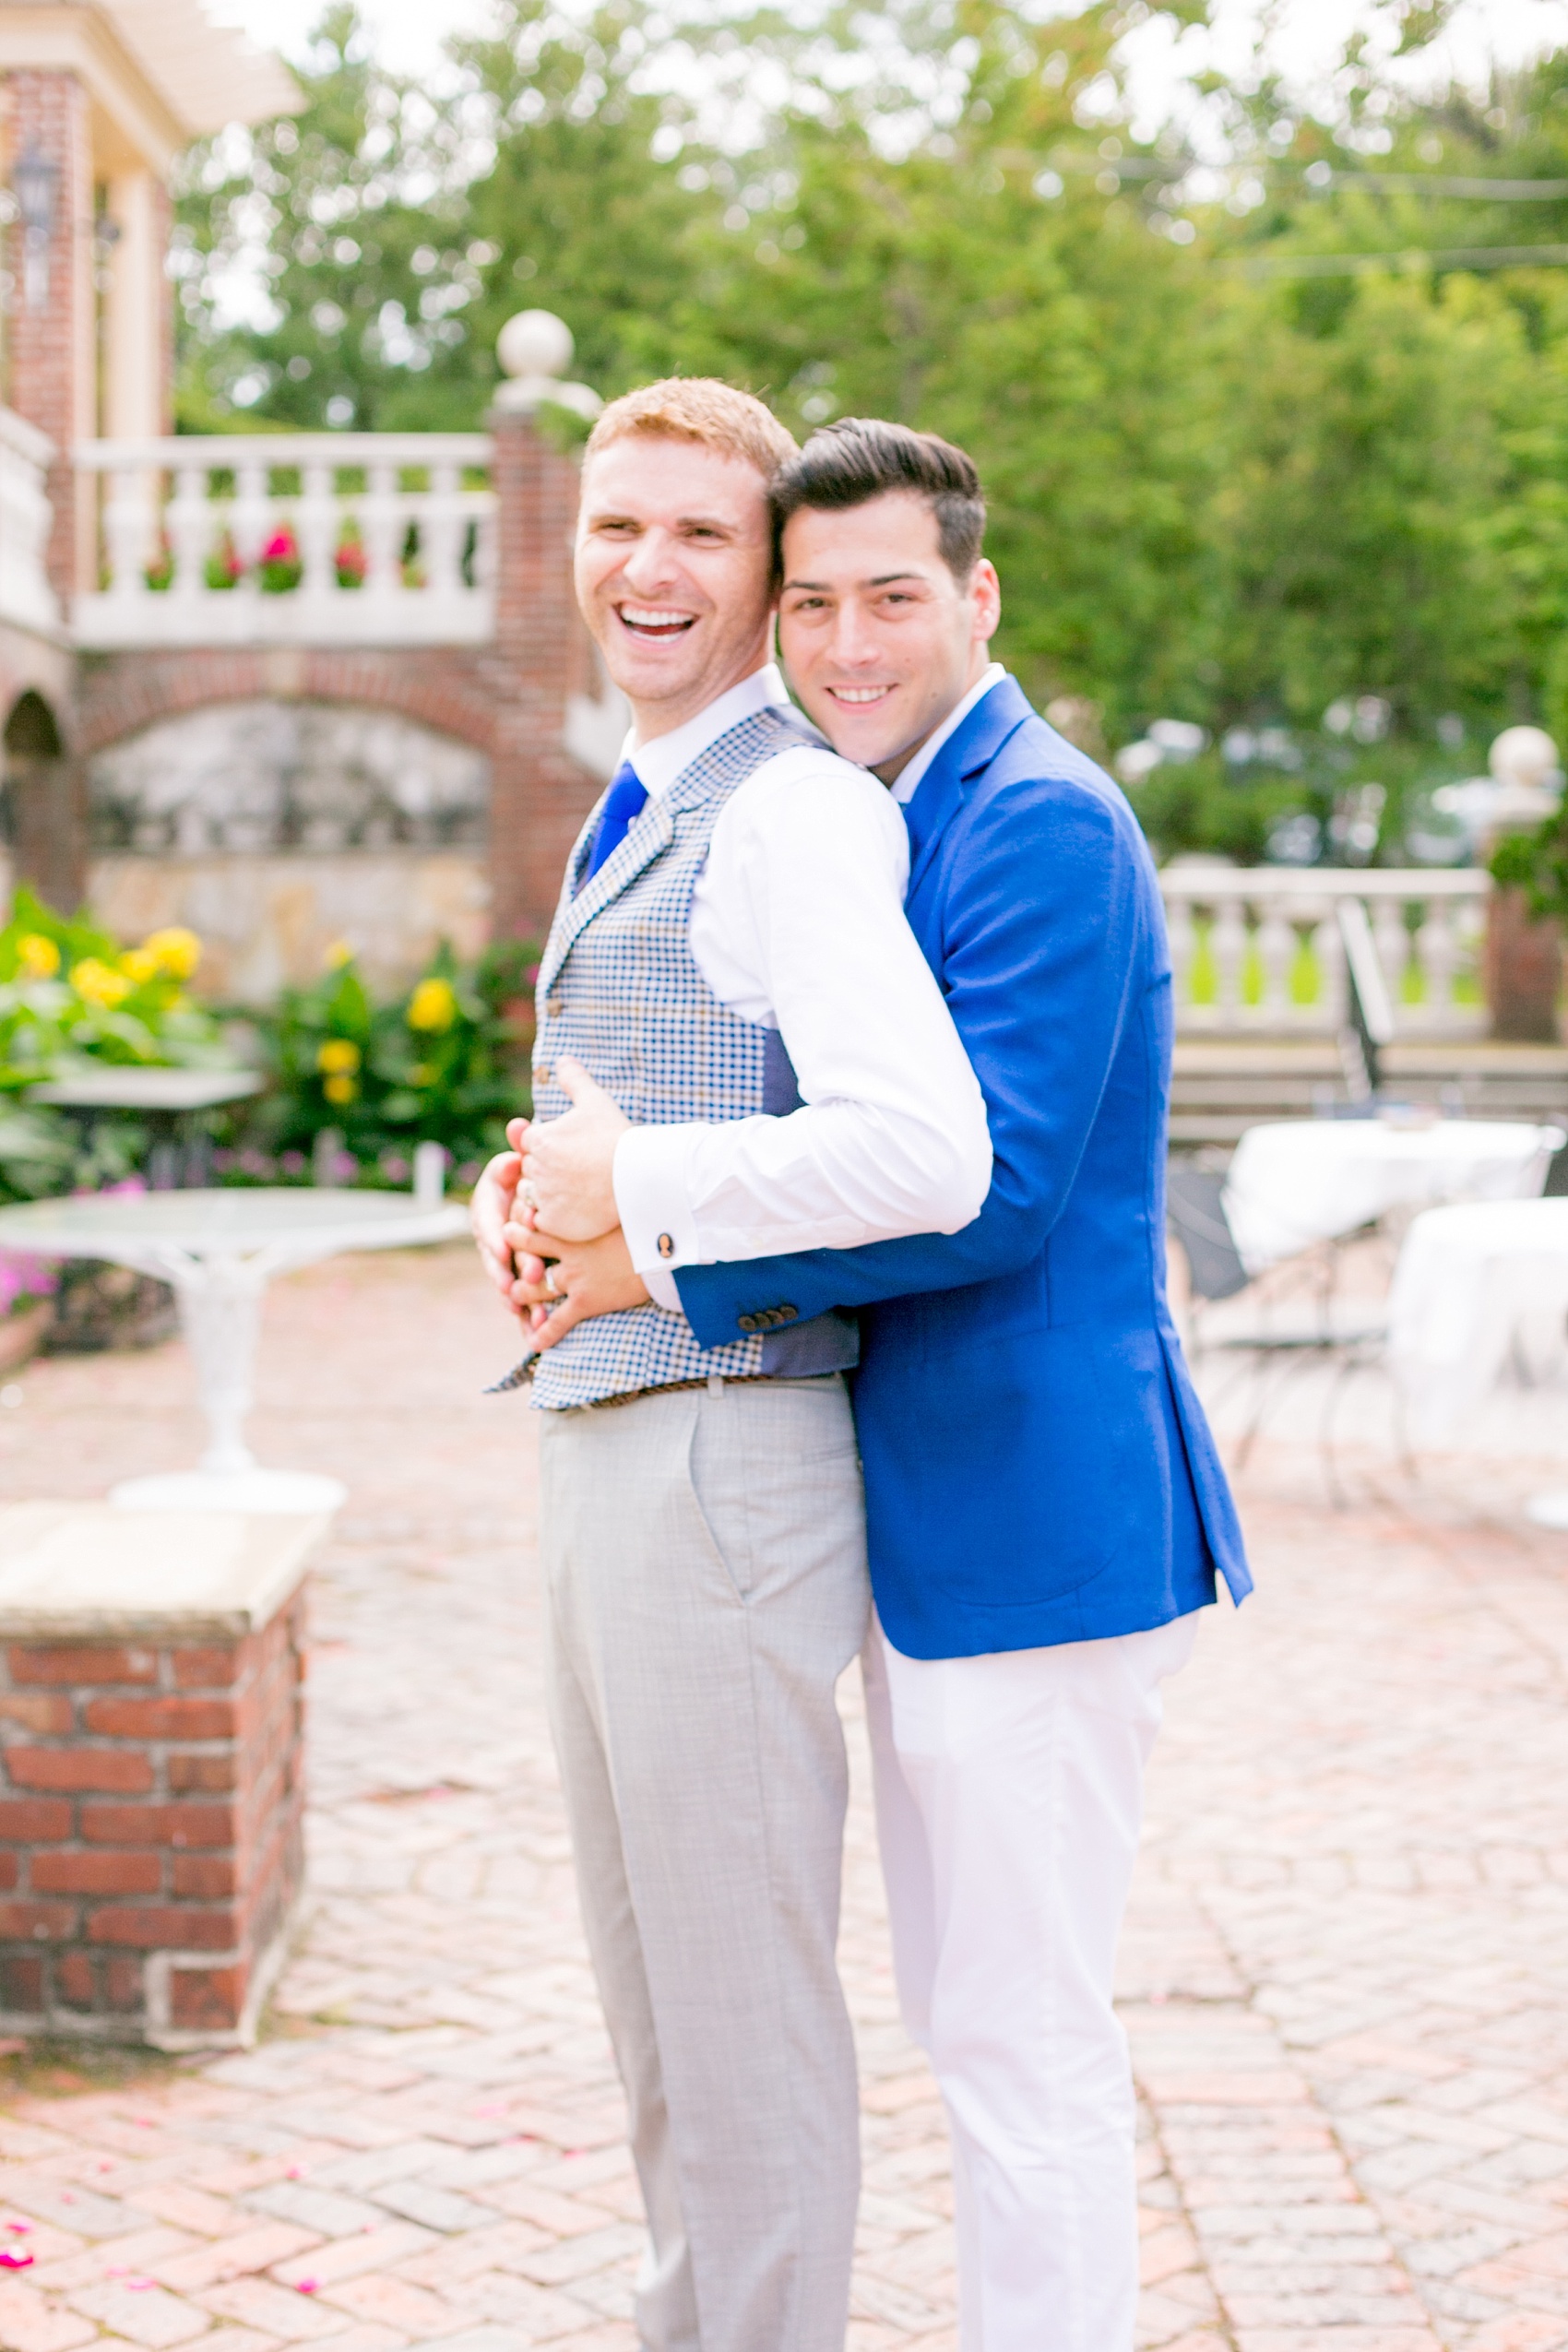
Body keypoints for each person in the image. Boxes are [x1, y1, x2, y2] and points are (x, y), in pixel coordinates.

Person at [483, 417, 1253, 2352]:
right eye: (812, 599)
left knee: (1014, 2033)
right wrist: (583, 1216)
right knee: (969, 2016)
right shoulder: (892, 792)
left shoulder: (1039, 818)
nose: (841, 640)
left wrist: (635, 1219)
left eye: (886, 595)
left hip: (1038, 1505)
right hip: (930, 1498)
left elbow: (975, 1186)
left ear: (978, 596)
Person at [475, 379, 992, 2352]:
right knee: (654, 2010)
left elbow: (925, 1150)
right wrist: (519, 1197)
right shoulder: (652, 791)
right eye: (618, 525)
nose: (648, 567)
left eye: (700, 532)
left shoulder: (787, 808)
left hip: (719, 1454)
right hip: (613, 1443)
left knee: (740, 2021)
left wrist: (636, 1186)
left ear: (768, 573)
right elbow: (624, 1103)